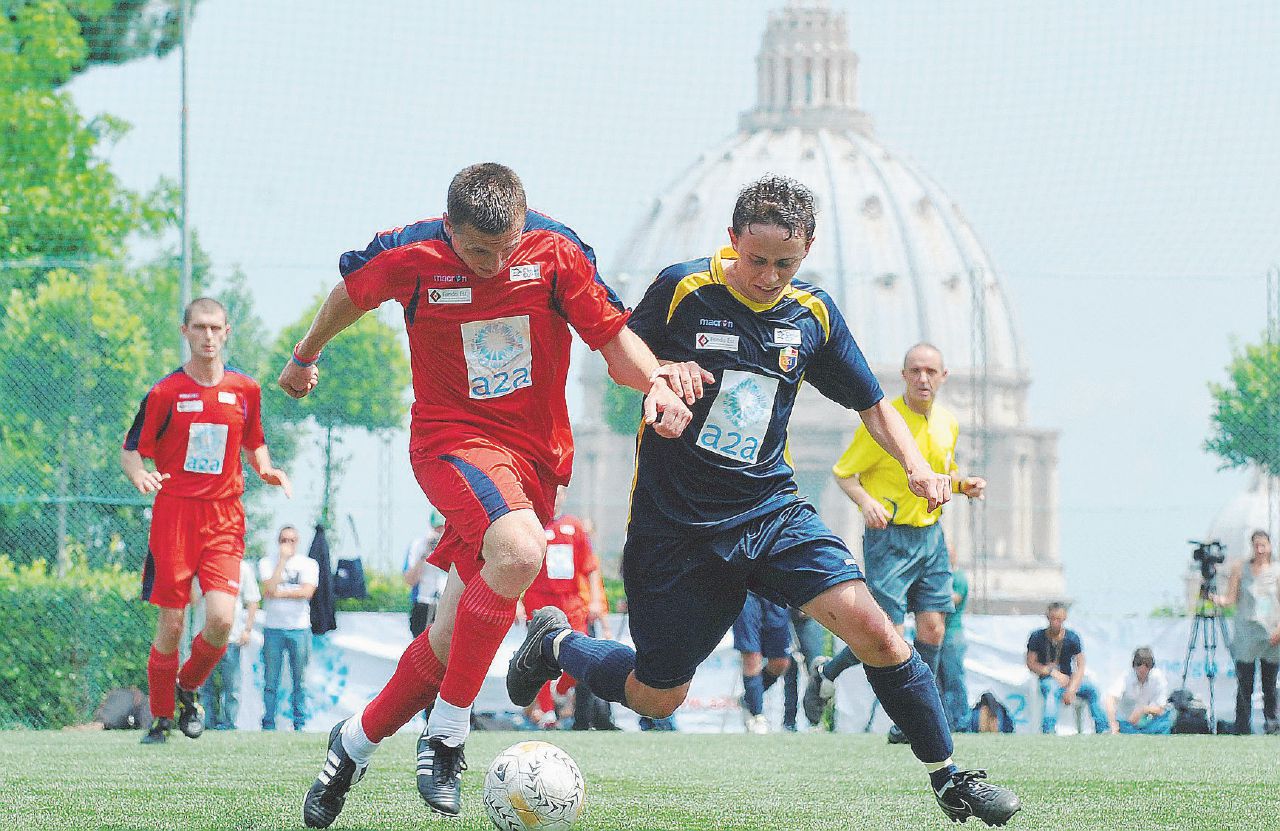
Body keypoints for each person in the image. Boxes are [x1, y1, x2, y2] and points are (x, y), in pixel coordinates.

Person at [506, 175, 1021, 826]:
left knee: (880, 633)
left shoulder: (813, 314)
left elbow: (871, 403)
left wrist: (917, 467)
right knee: (656, 696)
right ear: (731, 241)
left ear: (806, 252)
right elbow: (617, 358)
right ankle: (556, 645)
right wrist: (657, 388)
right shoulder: (683, 290)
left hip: (770, 512)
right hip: (678, 529)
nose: (769, 276)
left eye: (785, 263)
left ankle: (950, 779)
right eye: (757, 260)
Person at [283, 162, 695, 826]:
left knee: (451, 637)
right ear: (450, 228)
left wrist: (655, 384)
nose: (494, 264)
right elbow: (349, 295)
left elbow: (610, 338)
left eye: (506, 250)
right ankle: (447, 734)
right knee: (520, 553)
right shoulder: (410, 253)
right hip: (452, 444)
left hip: (535, 463)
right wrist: (305, 357)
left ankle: (351, 744)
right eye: (478, 251)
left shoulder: (556, 251)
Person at [120, 297, 292, 745]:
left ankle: (187, 688)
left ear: (227, 331)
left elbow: (254, 441)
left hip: (224, 518)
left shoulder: (245, 390)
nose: (208, 336)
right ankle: (160, 718)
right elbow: (131, 447)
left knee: (221, 618)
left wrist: (266, 468)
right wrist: (140, 473)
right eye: (200, 327)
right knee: (172, 626)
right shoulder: (165, 392)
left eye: (216, 328)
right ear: (186, 332)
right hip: (174, 517)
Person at [803, 343, 985, 741]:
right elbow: (844, 473)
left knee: (934, 629)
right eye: (915, 371)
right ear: (904, 376)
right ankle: (826, 672)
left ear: (943, 377)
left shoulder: (948, 423)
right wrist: (866, 502)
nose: (923, 379)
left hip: (931, 536)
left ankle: (914, 719)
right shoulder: (884, 423)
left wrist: (962, 484)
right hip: (889, 540)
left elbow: (943, 471)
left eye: (931, 372)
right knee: (885, 635)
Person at [519, 487, 606, 728]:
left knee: (581, 653)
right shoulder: (530, 525)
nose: (554, 499)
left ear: (564, 497)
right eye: (550, 493)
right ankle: (547, 712)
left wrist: (596, 599)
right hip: (539, 600)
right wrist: (515, 601)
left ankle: (562, 688)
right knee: (540, 658)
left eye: (558, 494)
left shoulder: (573, 526)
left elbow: (589, 567)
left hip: (571, 602)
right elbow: (517, 568)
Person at [1214, 529, 1280, 735]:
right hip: (1246, 633)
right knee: (1245, 683)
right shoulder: (1241, 569)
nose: (1260, 550)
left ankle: (1272, 723)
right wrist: (1215, 599)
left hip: (1270, 634)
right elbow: (1231, 599)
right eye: (1256, 545)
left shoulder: (1277, 570)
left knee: (1269, 684)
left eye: (1263, 545)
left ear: (1269, 546)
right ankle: (1242, 725)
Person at [259, 525, 319, 731]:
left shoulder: (309, 564)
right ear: (278, 542)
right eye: (284, 540)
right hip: (273, 628)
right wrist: (282, 561)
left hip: (299, 628)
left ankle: (299, 723)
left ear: (298, 542)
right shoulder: (267, 563)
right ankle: (268, 723)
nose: (288, 544)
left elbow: (307, 592)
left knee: (299, 680)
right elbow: (268, 589)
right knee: (270, 681)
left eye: (292, 540)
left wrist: (279, 593)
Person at [1025, 602, 1109, 734]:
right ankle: (1049, 730)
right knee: (1051, 690)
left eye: (1059, 619)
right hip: (1048, 679)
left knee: (1092, 690)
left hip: (1069, 680)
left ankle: (1103, 728)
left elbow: (1080, 665)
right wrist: (1051, 672)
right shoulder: (1037, 637)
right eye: (1052, 619)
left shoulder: (1072, 638)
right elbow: (1031, 663)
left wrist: (1072, 689)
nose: (1055, 622)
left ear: (1064, 618)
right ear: (1047, 617)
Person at [198, 558, 261, 730]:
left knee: (232, 687)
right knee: (204, 685)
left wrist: (247, 629)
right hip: (205, 638)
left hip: (231, 638)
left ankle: (229, 723)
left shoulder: (242, 567)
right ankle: (205, 723)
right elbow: (194, 599)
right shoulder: (203, 565)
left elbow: (253, 599)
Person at [733, 591, 793, 734]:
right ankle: (756, 715)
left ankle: (749, 698)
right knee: (752, 657)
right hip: (746, 594)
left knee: (781, 662)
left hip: (775, 593)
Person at [937, 547, 970, 732]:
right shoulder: (942, 577)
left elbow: (951, 600)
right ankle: (947, 722)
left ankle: (961, 722)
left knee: (954, 681)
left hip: (952, 636)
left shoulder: (958, 578)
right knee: (940, 682)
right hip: (941, 636)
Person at [1105, 647, 1173, 734]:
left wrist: (1142, 710)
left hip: (1150, 722)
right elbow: (1110, 698)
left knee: (1166, 721)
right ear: (1134, 665)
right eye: (1139, 664)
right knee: (1122, 726)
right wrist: (1113, 724)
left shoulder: (1158, 678)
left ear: (1151, 667)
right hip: (1128, 723)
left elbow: (1161, 708)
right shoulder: (1126, 677)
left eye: (1147, 665)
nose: (1142, 668)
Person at [403, 512, 448, 638]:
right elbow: (409, 579)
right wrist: (425, 554)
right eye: (437, 528)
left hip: (447, 605)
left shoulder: (456, 545)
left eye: (443, 528)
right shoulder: (418, 545)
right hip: (424, 603)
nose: (440, 532)